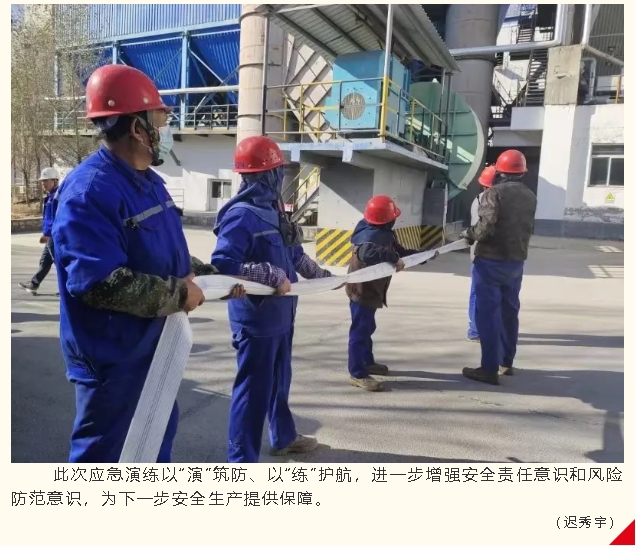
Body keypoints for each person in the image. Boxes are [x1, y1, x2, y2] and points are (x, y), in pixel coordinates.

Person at [52, 64, 244, 463]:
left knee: (155, 449)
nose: (166, 128)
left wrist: (218, 280)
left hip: (156, 351)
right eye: (161, 120)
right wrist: (180, 294)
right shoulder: (90, 192)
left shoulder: (149, 182)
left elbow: (164, 254)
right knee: (107, 460)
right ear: (138, 129)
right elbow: (98, 283)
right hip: (114, 361)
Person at [211, 135, 338, 463]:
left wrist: (324, 277)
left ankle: (283, 437)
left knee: (280, 381)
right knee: (253, 392)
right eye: (278, 171)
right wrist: (268, 274)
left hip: (282, 316)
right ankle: (241, 461)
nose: (281, 177)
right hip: (256, 321)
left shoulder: (273, 211)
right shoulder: (241, 215)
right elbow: (223, 264)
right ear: (267, 174)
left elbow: (295, 255)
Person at [460, 149, 537, 385]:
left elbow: (485, 226)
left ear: (500, 172)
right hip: (516, 261)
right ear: (522, 172)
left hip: (490, 262)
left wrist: (469, 234)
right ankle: (506, 362)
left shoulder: (493, 192)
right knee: (509, 312)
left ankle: (488, 369)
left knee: (487, 315)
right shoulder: (530, 195)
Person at [345, 195, 435, 392]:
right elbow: (367, 253)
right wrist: (393, 257)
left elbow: (398, 251)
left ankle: (367, 362)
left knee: (368, 327)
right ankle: (357, 373)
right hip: (362, 291)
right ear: (386, 219)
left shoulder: (382, 233)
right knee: (360, 331)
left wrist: (420, 255)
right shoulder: (369, 236)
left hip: (371, 290)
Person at [19, 167, 61, 295]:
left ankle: (66, 289)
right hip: (50, 235)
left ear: (54, 181)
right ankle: (34, 284)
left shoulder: (56, 197)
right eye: (42, 182)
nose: (43, 184)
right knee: (45, 261)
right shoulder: (50, 196)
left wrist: (47, 234)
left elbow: (56, 218)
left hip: (54, 235)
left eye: (46, 181)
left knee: (59, 262)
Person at [467, 165, 496, 342]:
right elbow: (482, 230)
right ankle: (476, 330)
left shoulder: (479, 199)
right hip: (483, 254)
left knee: (479, 293)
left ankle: (477, 329)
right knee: (480, 293)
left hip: (481, 254)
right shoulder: (486, 201)